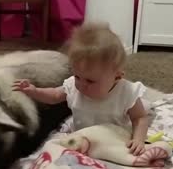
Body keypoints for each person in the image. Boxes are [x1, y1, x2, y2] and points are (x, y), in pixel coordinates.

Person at [13, 22, 149, 156]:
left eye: (90, 80)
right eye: (77, 76)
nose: (81, 84)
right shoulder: (73, 86)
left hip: (114, 140)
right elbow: (54, 96)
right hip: (82, 138)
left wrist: (138, 139)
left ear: (117, 77)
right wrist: (34, 91)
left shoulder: (126, 93)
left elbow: (140, 118)